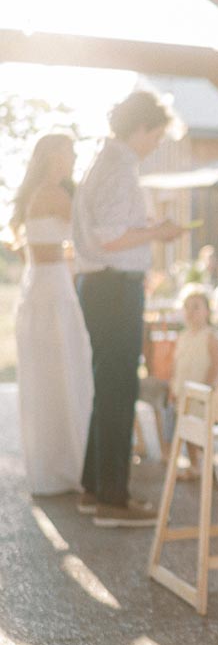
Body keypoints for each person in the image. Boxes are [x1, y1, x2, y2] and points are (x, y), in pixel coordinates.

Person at [73, 90, 184, 527]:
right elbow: (109, 237)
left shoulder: (104, 163)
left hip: (101, 284)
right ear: (141, 128)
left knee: (110, 387)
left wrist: (149, 231)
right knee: (119, 388)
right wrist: (157, 233)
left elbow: (109, 231)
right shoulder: (118, 167)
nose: (156, 143)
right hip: (114, 286)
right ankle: (112, 500)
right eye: (156, 135)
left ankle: (94, 488)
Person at [10, 131, 93, 495]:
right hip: (54, 291)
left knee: (43, 382)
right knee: (67, 375)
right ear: (53, 158)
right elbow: (88, 237)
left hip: (35, 288)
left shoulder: (29, 195)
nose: (73, 159)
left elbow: (40, 247)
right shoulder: (57, 195)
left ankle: (48, 467)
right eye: (69, 153)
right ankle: (70, 465)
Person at [168, 286, 218, 480]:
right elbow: (176, 364)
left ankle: (206, 465)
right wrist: (173, 386)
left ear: (207, 311)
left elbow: (216, 363)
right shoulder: (182, 337)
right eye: (187, 307)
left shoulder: (209, 336)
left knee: (201, 432)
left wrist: (207, 387)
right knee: (186, 430)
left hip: (202, 393)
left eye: (196, 307)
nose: (190, 312)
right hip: (184, 391)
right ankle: (194, 466)